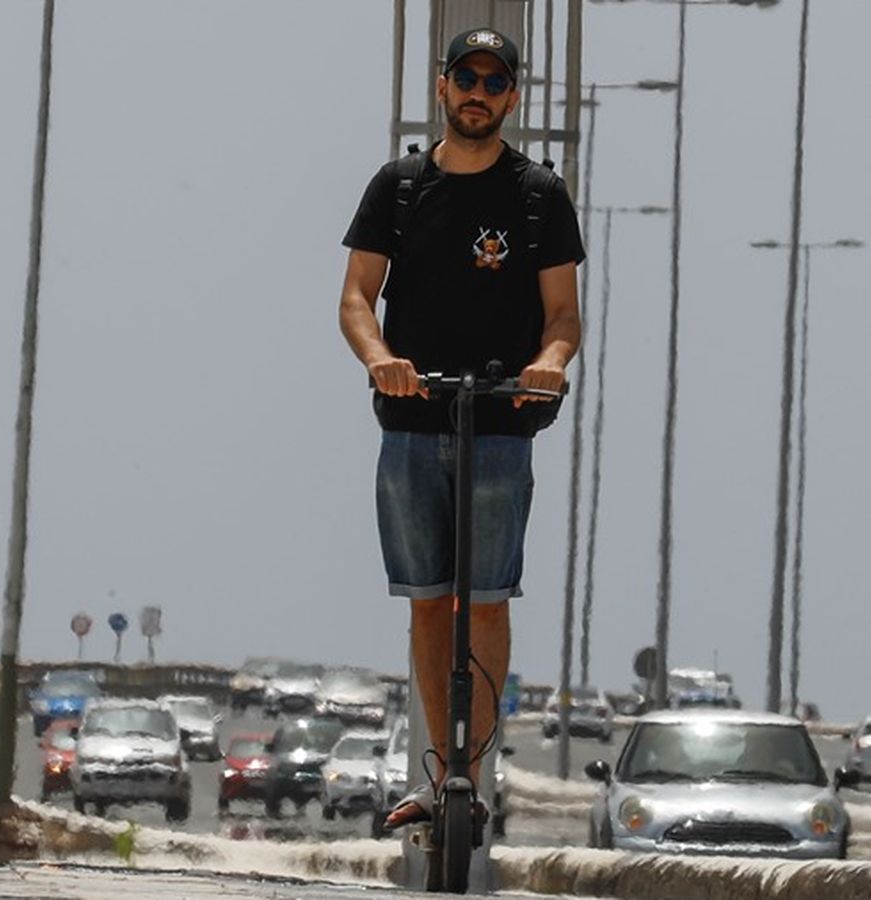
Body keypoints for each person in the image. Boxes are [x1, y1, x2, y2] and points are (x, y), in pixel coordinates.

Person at [337, 26, 585, 830]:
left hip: (501, 427)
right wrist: (380, 357)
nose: (479, 92)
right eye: (466, 77)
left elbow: (562, 318)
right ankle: (431, 770)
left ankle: (469, 779)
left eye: (495, 80)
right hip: (411, 421)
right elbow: (355, 299)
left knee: (485, 603)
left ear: (512, 95)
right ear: (442, 87)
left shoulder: (539, 196)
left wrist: (547, 364)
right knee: (425, 601)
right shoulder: (399, 187)